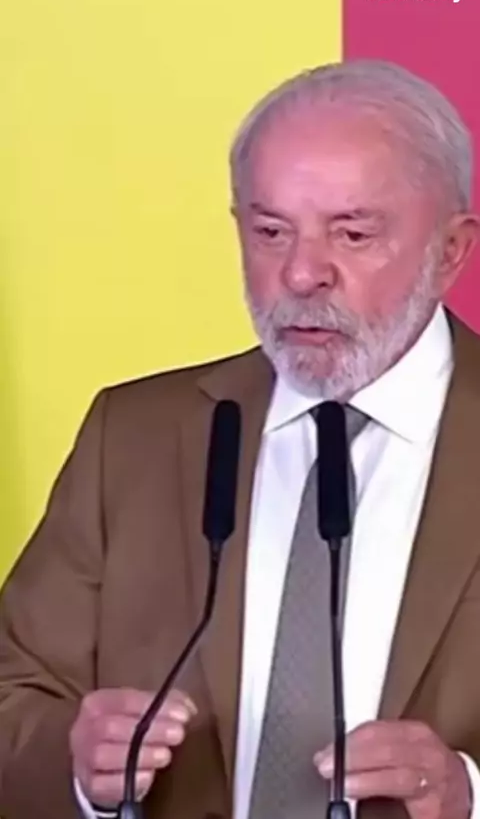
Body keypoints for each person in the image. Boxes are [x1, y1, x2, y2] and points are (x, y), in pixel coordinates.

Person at [1, 58, 480, 819]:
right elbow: (14, 691)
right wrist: (74, 762)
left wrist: (470, 793)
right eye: (270, 232)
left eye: (353, 233)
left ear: (451, 249)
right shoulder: (135, 437)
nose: (301, 273)